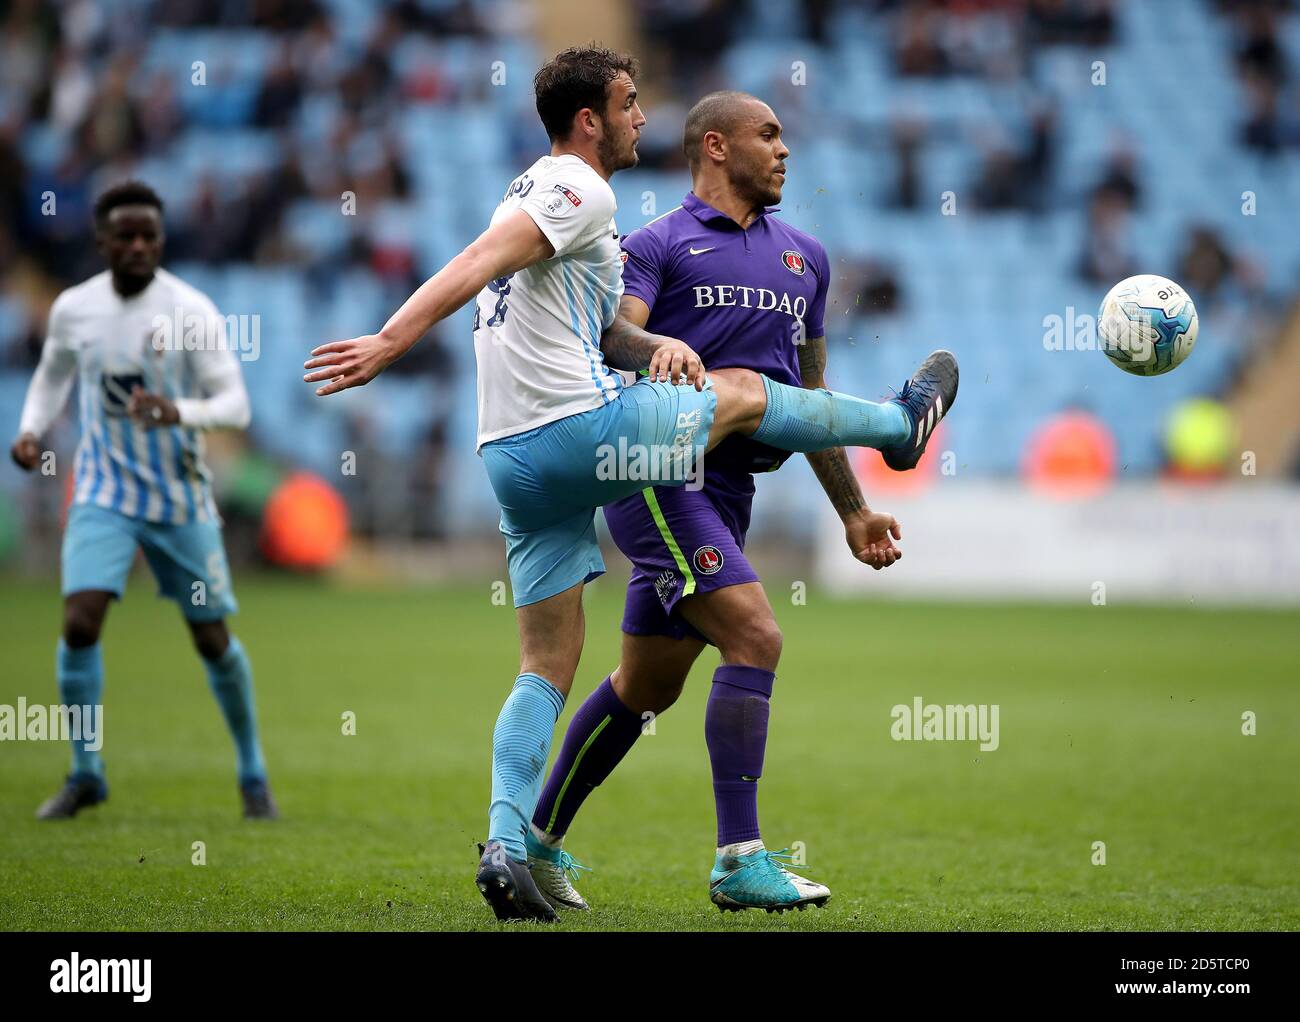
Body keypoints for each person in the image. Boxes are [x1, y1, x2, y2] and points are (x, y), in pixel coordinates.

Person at [303, 48, 957, 922]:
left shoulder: (801, 256)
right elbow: (494, 266)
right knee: (756, 618)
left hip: (522, 459)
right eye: (628, 102)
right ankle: (740, 858)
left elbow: (770, 382)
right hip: (625, 457)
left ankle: (516, 842)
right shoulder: (606, 207)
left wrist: (849, 507)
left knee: (598, 676)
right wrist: (391, 340)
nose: (640, 115)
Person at [11, 180, 276, 821]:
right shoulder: (75, 309)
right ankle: (85, 771)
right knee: (79, 621)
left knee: (211, 637)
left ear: (160, 240)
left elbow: (235, 405)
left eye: (148, 236)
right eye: (124, 236)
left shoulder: (191, 309)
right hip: (103, 490)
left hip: (180, 496)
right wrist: (29, 428)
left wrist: (176, 410)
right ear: (102, 241)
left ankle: (251, 770)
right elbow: (52, 377)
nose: (137, 246)